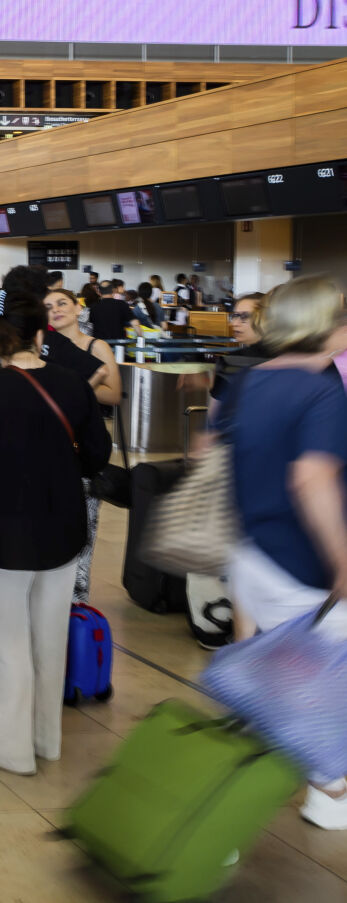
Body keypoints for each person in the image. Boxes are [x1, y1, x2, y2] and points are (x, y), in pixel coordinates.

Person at [0, 296, 112, 777]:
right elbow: (97, 455)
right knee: (47, 638)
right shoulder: (73, 384)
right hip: (61, 532)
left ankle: (3, 746)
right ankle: (43, 738)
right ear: (40, 335)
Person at [212, 277, 347, 828]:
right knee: (311, 691)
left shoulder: (251, 381)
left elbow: (215, 449)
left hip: (252, 555)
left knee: (287, 689)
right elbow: (311, 479)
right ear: (322, 323)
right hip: (301, 564)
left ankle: (323, 791)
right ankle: (325, 792)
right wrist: (341, 559)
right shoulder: (321, 389)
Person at [43, 288, 123, 602]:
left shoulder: (95, 347)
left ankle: (78, 603)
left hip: (84, 446)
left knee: (83, 529)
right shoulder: (42, 349)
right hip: (49, 446)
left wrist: (77, 389)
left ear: (78, 309)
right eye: (48, 306)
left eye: (62, 303)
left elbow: (114, 394)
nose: (56, 309)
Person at [211, 291, 270, 403]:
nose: (235, 323)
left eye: (245, 317)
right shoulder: (287, 355)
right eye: (235, 316)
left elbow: (216, 415)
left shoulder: (233, 360)